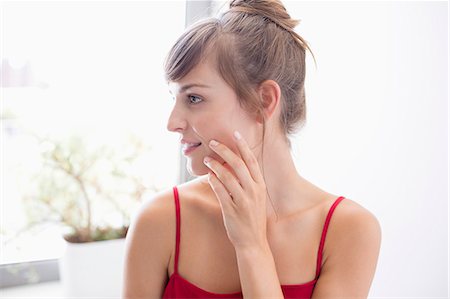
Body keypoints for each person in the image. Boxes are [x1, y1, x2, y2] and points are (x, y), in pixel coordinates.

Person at [123, 0, 382, 298]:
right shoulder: (159, 220)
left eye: (194, 98)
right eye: (174, 98)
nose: (172, 123)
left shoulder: (348, 231)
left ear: (264, 101)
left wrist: (252, 247)